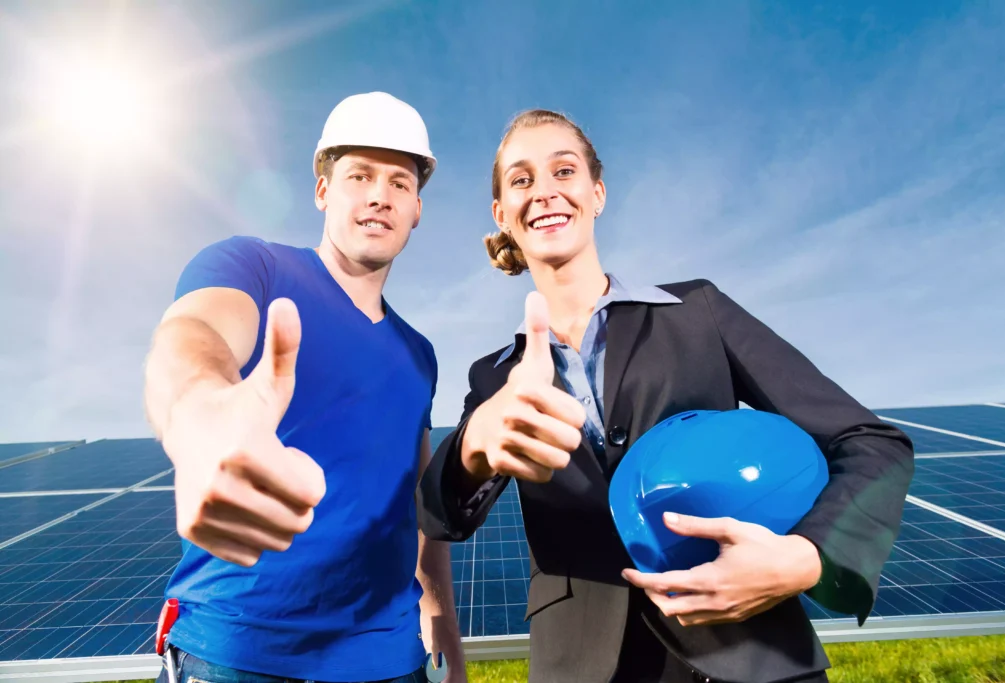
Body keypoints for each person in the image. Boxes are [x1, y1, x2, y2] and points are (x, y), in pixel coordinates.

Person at [416, 109, 915, 683]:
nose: (546, 192)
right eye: (522, 180)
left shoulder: (698, 312)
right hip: (583, 666)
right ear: (503, 215)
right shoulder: (494, 376)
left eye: (564, 171)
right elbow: (436, 515)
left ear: (596, 193)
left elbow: (871, 443)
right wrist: (472, 446)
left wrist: (805, 558)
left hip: (751, 653)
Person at [144, 91, 466, 683]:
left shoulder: (420, 354)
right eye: (359, 176)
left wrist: (439, 611)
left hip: (390, 662)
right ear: (323, 191)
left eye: (399, 182)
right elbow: (193, 333)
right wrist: (196, 410)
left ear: (417, 208)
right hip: (235, 654)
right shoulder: (253, 268)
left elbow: (416, 502)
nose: (379, 195)